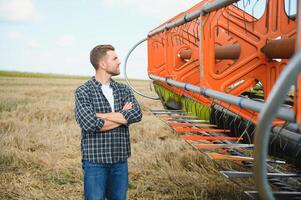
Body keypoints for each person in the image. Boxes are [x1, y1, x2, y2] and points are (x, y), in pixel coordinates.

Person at [74, 44, 142, 200]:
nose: (119, 62)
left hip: (120, 160)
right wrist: (123, 116)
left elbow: (136, 114)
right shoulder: (84, 91)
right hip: (95, 162)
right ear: (103, 64)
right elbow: (90, 124)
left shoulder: (123, 90)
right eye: (115, 58)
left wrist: (101, 116)